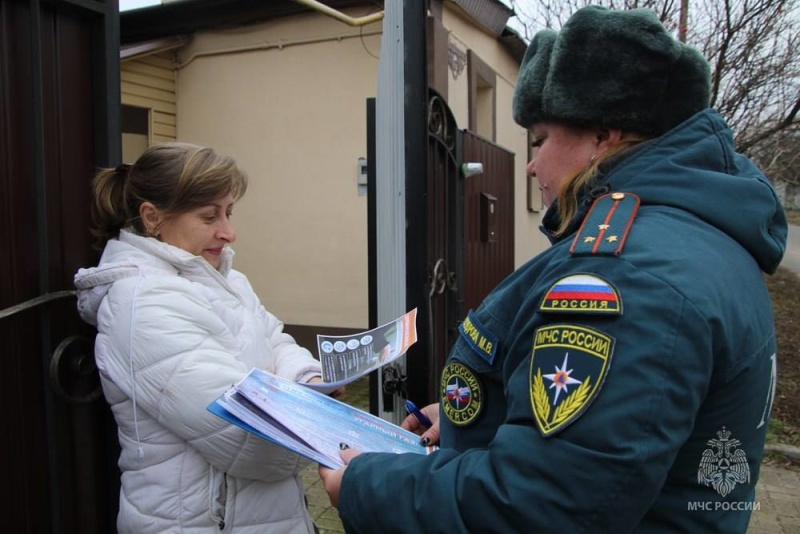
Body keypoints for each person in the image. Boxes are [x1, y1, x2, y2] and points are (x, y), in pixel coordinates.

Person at [319, 5, 787, 532]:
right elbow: (609, 442)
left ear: (605, 135)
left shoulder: (627, 275)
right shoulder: (697, 238)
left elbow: (543, 503)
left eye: (540, 139)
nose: (532, 164)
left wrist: (366, 485)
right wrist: (470, 416)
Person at [74, 142, 328, 533]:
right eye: (209, 216)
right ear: (152, 217)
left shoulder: (226, 279)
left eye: (228, 212)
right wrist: (321, 428)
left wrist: (308, 381)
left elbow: (276, 339)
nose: (229, 233)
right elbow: (249, 443)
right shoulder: (142, 304)